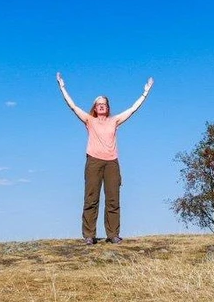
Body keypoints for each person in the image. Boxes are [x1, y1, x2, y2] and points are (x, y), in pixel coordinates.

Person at [56, 72, 153, 245]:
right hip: (94, 161)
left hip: (112, 163)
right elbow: (72, 106)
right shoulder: (89, 120)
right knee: (91, 199)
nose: (101, 106)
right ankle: (89, 235)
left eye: (104, 104)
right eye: (99, 104)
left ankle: (113, 234)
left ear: (108, 108)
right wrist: (62, 87)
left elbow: (132, 109)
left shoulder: (114, 120)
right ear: (94, 107)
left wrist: (145, 92)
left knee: (113, 199)